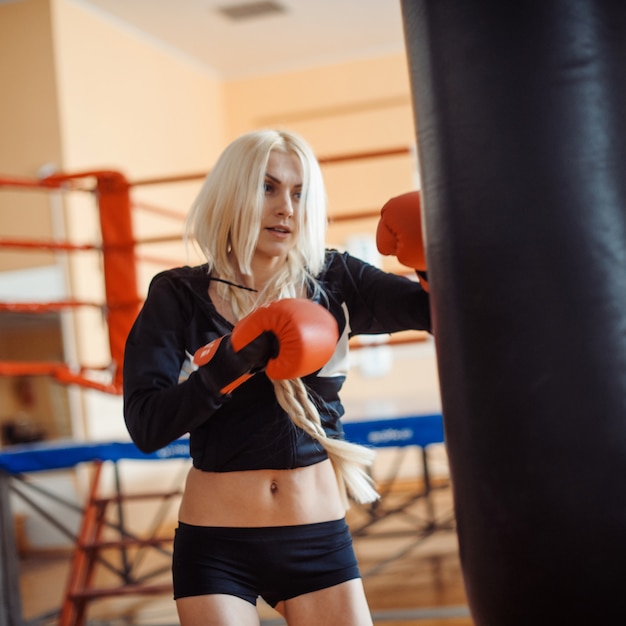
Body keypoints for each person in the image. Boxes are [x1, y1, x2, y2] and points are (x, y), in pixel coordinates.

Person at [122, 129, 431, 626]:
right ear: (234, 192)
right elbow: (146, 425)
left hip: (316, 541)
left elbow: (446, 315)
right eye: (268, 188)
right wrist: (228, 363)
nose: (286, 207)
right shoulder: (178, 294)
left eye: (298, 192)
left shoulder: (335, 280)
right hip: (215, 545)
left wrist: (430, 258)